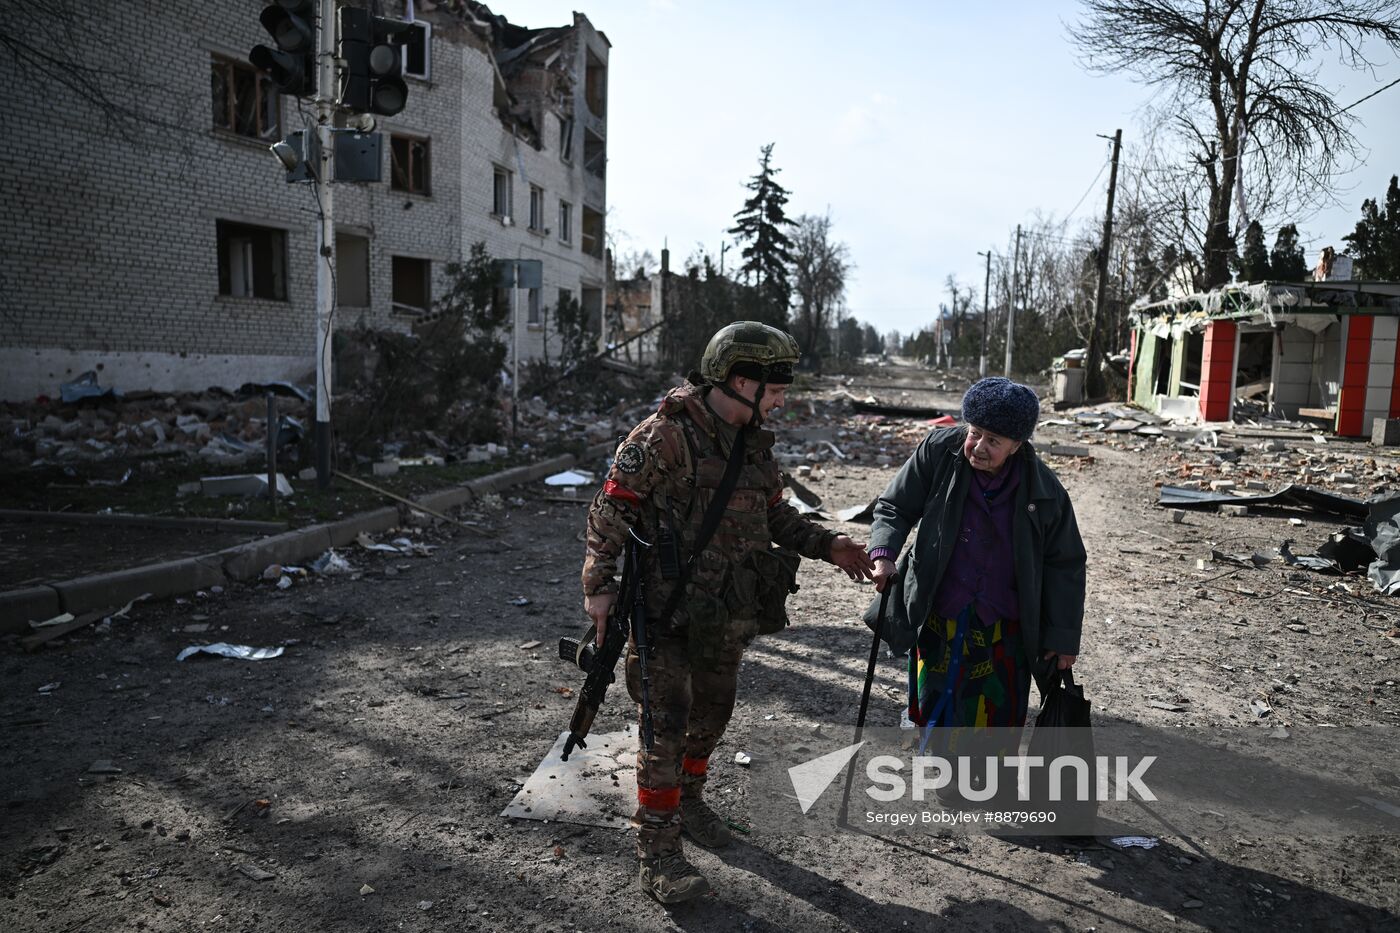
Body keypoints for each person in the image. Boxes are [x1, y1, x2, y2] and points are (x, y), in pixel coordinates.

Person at [582, 322, 875, 904]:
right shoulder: (664, 436)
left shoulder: (753, 442)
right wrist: (599, 587)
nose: (781, 399)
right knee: (664, 727)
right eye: (774, 388)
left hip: (724, 612)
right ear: (740, 380)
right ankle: (659, 851)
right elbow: (610, 510)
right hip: (664, 611)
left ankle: (689, 802)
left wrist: (830, 545)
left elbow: (775, 517)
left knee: (711, 716)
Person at [866, 377, 1085, 779]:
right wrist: (883, 555)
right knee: (936, 692)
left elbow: (1065, 564)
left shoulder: (1045, 491)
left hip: (1004, 621)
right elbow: (895, 506)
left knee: (995, 704)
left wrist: (1063, 637)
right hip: (939, 604)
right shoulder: (939, 451)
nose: (979, 447)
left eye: (994, 441)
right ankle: (942, 765)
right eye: (975, 433)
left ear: (1018, 445)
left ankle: (984, 774)